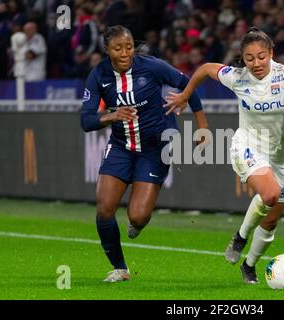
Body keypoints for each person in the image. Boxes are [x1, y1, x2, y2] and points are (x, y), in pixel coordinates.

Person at [165, 27, 284, 284]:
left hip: (280, 157)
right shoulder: (237, 77)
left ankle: (249, 265)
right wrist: (185, 95)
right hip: (247, 146)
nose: (256, 63)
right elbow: (204, 69)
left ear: (271, 53)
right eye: (249, 58)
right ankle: (240, 237)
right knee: (269, 194)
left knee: (270, 223)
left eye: (261, 56)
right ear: (243, 59)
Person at [80, 25, 208, 282]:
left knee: (138, 216)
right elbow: (86, 121)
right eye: (118, 48)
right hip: (120, 146)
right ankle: (120, 268)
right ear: (107, 50)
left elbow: (188, 84)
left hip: (154, 148)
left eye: (129, 47)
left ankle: (137, 223)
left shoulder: (152, 66)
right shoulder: (98, 75)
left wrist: (202, 126)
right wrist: (113, 115)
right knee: (104, 208)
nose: (125, 53)